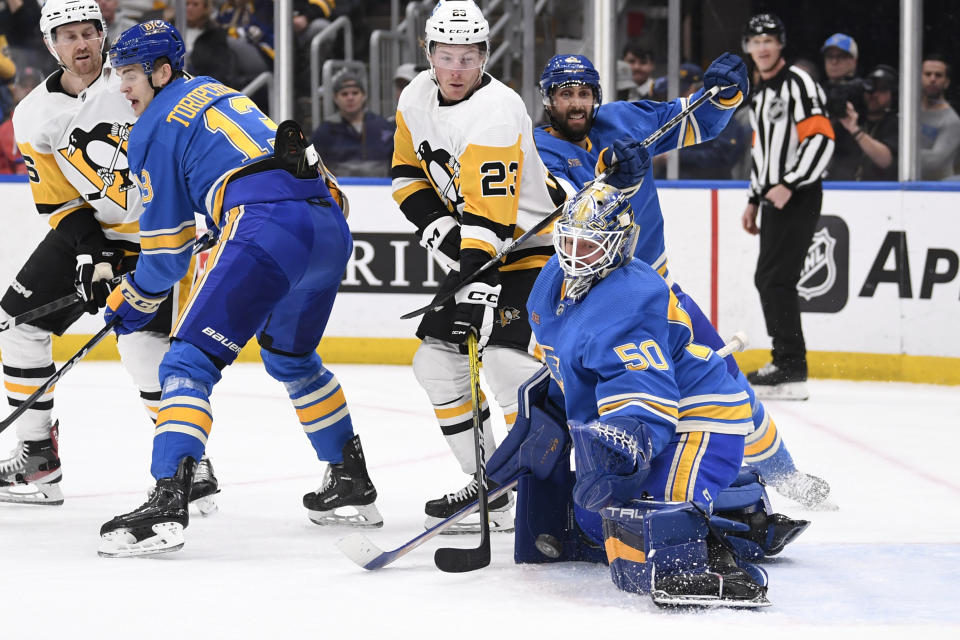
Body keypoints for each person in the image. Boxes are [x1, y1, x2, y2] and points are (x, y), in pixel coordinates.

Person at [97, 19, 381, 557]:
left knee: (185, 364)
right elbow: (315, 183)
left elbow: (166, 255)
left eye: (129, 74)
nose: (122, 87)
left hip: (266, 228)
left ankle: (167, 501)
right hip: (327, 227)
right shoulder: (222, 94)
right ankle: (350, 481)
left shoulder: (153, 126)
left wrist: (131, 297)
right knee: (292, 359)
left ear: (161, 73)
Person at [487, 180, 809, 607]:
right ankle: (742, 509)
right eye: (570, 241)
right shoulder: (550, 283)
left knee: (657, 528)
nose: (574, 255)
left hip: (699, 418)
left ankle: (721, 554)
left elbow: (643, 395)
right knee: (593, 523)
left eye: (591, 246)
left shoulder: (630, 299)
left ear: (619, 245)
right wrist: (540, 420)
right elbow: (570, 366)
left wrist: (623, 438)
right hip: (650, 420)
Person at [534, 53, 830, 507]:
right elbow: (576, 215)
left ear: (597, 95)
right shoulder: (537, 152)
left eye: (584, 94)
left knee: (726, 379)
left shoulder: (626, 120)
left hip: (658, 294)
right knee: (608, 406)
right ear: (548, 99)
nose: (576, 104)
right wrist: (616, 185)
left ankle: (783, 474)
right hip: (597, 308)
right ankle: (596, 493)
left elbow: (700, 121)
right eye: (565, 94)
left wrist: (726, 92)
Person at [0, 0, 217, 508]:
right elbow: (59, 199)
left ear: (104, 34)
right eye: (67, 35)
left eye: (88, 32)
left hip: (159, 236)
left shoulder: (135, 82)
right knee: (18, 324)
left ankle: (190, 464)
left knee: (142, 344)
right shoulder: (33, 113)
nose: (81, 44)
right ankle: (36, 458)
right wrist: (91, 253)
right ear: (51, 44)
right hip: (94, 232)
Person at [391, 0, 566, 532]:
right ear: (429, 54)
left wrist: (474, 285)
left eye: (470, 56)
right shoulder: (414, 96)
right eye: (447, 56)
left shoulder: (497, 109)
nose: (458, 68)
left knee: (506, 363)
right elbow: (404, 175)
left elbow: (492, 219)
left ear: (486, 55)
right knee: (435, 364)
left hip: (533, 247)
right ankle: (492, 486)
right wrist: (439, 230)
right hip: (479, 248)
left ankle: (546, 485)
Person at [741, 13, 834, 400]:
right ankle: (787, 362)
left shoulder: (798, 82)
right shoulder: (759, 93)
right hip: (775, 195)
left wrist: (789, 184)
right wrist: (753, 198)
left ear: (781, 44)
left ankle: (791, 367)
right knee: (770, 278)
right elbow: (761, 151)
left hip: (798, 193)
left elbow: (822, 139)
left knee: (774, 279)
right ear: (747, 47)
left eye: (769, 40)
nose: (762, 47)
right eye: (755, 41)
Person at [310, 69, 393, 177]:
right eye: (344, 94)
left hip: (382, 191)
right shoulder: (324, 133)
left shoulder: (383, 128)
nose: (350, 98)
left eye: (355, 93)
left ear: (364, 96)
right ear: (335, 98)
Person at [834, 64, 899, 181]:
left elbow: (886, 160)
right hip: (841, 189)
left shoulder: (897, 124)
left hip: (878, 192)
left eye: (882, 89)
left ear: (892, 95)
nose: (874, 94)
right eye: (870, 88)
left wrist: (855, 131)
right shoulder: (851, 117)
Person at [820, 33, 862, 181]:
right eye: (830, 57)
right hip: (821, 163)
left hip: (854, 168)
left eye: (841, 56)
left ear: (854, 61)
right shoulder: (816, 91)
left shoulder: (864, 92)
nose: (834, 62)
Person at [919, 53, 960, 181]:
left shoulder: (952, 121)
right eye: (927, 74)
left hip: (936, 192)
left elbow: (935, 162)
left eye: (938, 75)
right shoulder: (908, 111)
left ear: (946, 82)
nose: (932, 79)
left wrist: (894, 152)